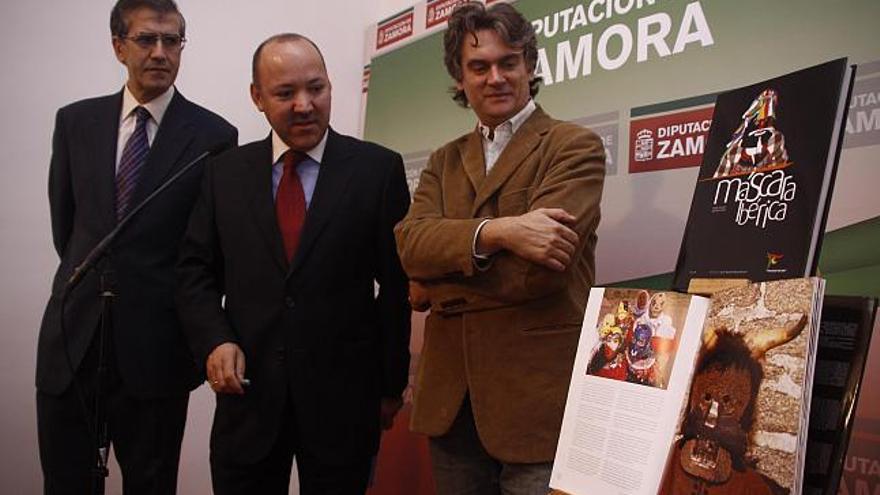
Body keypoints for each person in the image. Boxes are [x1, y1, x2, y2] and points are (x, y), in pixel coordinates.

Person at [175, 33, 411, 495]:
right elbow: (194, 272)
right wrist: (214, 340)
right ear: (257, 98)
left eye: (316, 88)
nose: (304, 105)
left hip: (345, 403)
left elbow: (397, 286)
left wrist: (389, 386)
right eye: (285, 93)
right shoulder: (223, 174)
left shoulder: (377, 170)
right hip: (248, 401)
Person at [394, 2, 606, 493]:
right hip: (451, 405)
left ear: (529, 66)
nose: (496, 77)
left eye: (508, 62)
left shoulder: (574, 146)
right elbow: (409, 246)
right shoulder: (443, 161)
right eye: (479, 66)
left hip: (536, 405)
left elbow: (540, 273)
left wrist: (437, 288)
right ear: (459, 76)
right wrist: (500, 233)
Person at [36, 1, 237, 493]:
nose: (161, 52)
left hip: (157, 353)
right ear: (118, 46)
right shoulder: (76, 123)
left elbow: (209, 253)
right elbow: (69, 229)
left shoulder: (214, 137)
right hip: (73, 340)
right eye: (147, 40)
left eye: (173, 41)